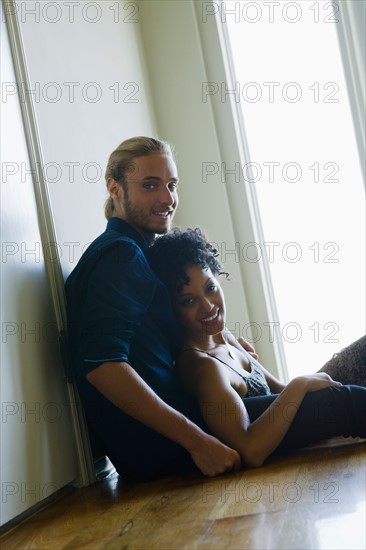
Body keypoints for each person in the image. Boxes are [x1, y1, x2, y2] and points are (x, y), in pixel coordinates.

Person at [66, 136, 365, 482]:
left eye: (172, 185)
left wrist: (221, 339)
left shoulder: (136, 253)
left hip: (186, 425)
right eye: (150, 186)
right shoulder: (121, 255)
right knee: (340, 404)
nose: (167, 198)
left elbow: (148, 339)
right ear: (115, 188)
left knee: (342, 379)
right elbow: (102, 366)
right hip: (170, 442)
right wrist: (198, 443)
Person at [148, 227, 366, 467]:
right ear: (172, 308)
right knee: (350, 402)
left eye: (210, 288)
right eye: (189, 301)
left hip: (284, 416)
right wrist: (301, 383)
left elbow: (278, 391)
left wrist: (301, 385)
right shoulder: (203, 367)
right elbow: (249, 450)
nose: (208, 306)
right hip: (271, 439)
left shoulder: (221, 335)